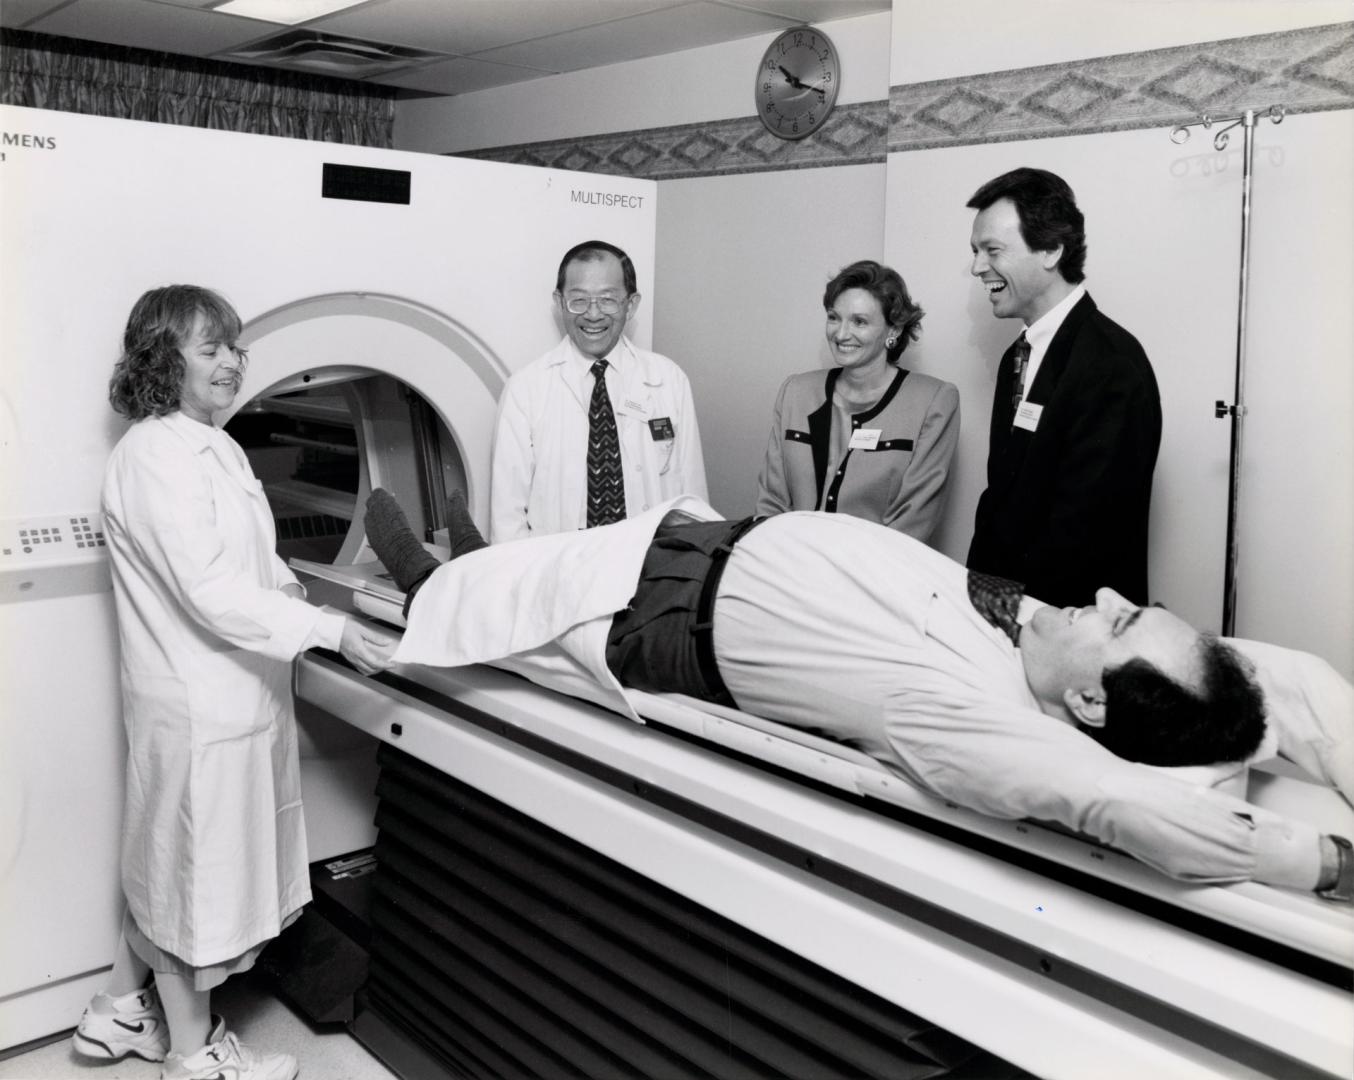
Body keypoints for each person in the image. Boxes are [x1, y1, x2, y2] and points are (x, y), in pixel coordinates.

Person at [363, 489, 1354, 902]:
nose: (1102, 597)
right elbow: (1287, 686)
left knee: (509, 621)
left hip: (659, 624)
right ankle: (476, 561)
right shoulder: (1043, 640)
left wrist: (1320, 860)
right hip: (694, 540)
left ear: (1093, 708)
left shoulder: (981, 723)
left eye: (1120, 623)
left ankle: (422, 589)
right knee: (524, 571)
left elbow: (1121, 804)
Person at [74, 286, 395, 1080]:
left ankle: (116, 1014)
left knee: (168, 859)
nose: (230, 362)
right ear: (161, 358)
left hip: (231, 690)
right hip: (196, 699)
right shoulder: (154, 455)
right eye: (208, 348)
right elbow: (208, 590)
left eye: (233, 346)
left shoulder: (212, 443)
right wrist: (329, 632)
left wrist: (318, 604)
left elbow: (251, 567)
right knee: (189, 873)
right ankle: (193, 1056)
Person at [966, 167, 1161, 607]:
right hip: (1007, 615)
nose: (977, 267)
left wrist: (1020, 621)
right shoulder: (1016, 357)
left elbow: (1088, 534)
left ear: (1051, 249)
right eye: (976, 251)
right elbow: (1004, 499)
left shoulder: (1112, 364)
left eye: (992, 250)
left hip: (1068, 626)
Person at [490, 240, 708, 542]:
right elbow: (507, 518)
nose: (593, 314)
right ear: (558, 300)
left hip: (651, 566)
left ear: (630, 304)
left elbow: (693, 499)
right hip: (559, 570)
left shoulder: (668, 380)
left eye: (607, 299)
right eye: (578, 300)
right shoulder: (525, 390)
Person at [754, 260, 959, 541]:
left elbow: (912, 522)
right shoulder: (796, 392)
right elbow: (771, 504)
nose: (840, 334)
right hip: (791, 569)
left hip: (875, 576)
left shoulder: (933, 401)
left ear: (894, 330)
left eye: (859, 322)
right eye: (833, 317)